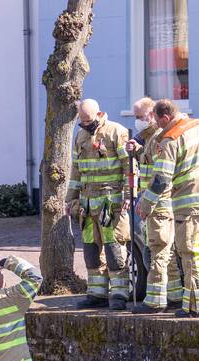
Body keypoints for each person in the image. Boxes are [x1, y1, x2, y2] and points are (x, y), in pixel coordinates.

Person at [137, 100, 199, 317]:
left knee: (192, 252)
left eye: (160, 124)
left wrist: (146, 204)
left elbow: (161, 179)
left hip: (191, 205)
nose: (160, 129)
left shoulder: (172, 139)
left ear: (165, 118)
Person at [66, 99, 132, 310]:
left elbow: (129, 167)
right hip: (87, 206)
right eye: (82, 121)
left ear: (100, 114)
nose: (86, 124)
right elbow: (76, 170)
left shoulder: (116, 132)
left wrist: (129, 195)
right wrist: (70, 199)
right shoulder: (80, 136)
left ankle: (120, 294)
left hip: (110, 204)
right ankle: (97, 293)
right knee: (91, 251)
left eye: (89, 120)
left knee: (114, 250)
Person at [126, 97, 183, 313]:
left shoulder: (160, 137)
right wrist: (138, 151)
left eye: (140, 117)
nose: (137, 121)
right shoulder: (152, 138)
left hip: (158, 204)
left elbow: (160, 176)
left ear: (152, 116)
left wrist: (146, 203)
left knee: (157, 251)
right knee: (166, 254)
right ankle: (175, 296)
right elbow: (151, 163)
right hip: (159, 203)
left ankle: (155, 301)